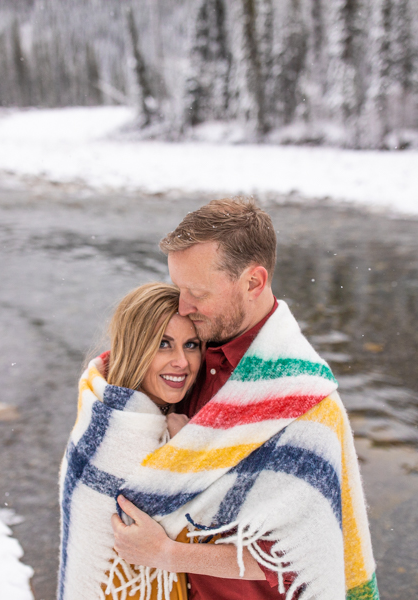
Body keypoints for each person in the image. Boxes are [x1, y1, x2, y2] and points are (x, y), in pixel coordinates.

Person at [109, 198, 379, 600]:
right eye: (177, 288)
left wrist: (167, 553)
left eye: (196, 292)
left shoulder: (305, 402)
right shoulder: (188, 355)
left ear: (253, 282)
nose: (184, 307)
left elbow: (304, 553)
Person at [59, 282, 201, 600]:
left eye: (191, 345)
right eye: (164, 344)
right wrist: (186, 454)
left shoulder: (99, 408)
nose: (182, 361)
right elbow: (209, 536)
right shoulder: (126, 442)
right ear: (136, 349)